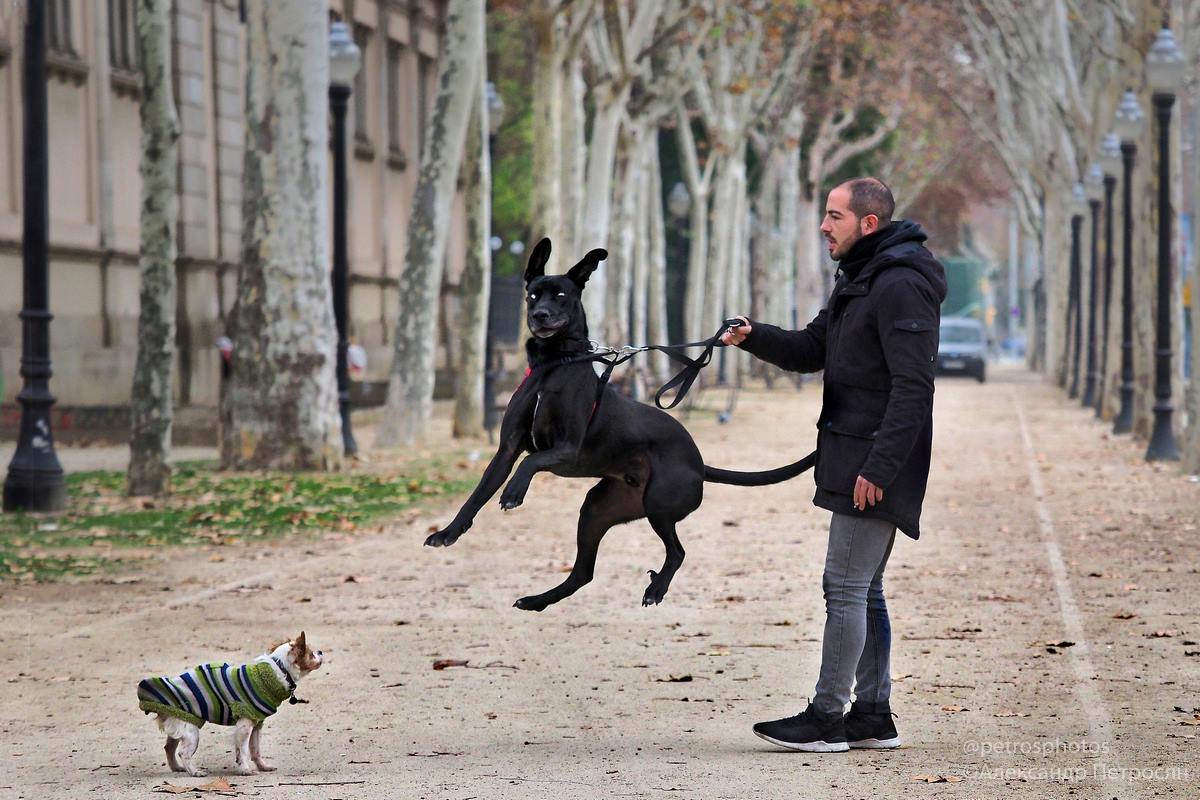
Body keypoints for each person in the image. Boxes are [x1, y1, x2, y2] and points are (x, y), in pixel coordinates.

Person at [723, 177, 946, 753]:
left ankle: (826, 717)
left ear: (867, 223)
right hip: (856, 454)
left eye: (834, 216)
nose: (824, 226)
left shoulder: (898, 285)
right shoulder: (864, 279)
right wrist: (752, 337)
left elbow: (913, 387)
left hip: (873, 464)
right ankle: (872, 715)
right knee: (864, 590)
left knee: (843, 587)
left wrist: (879, 468)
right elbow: (811, 349)